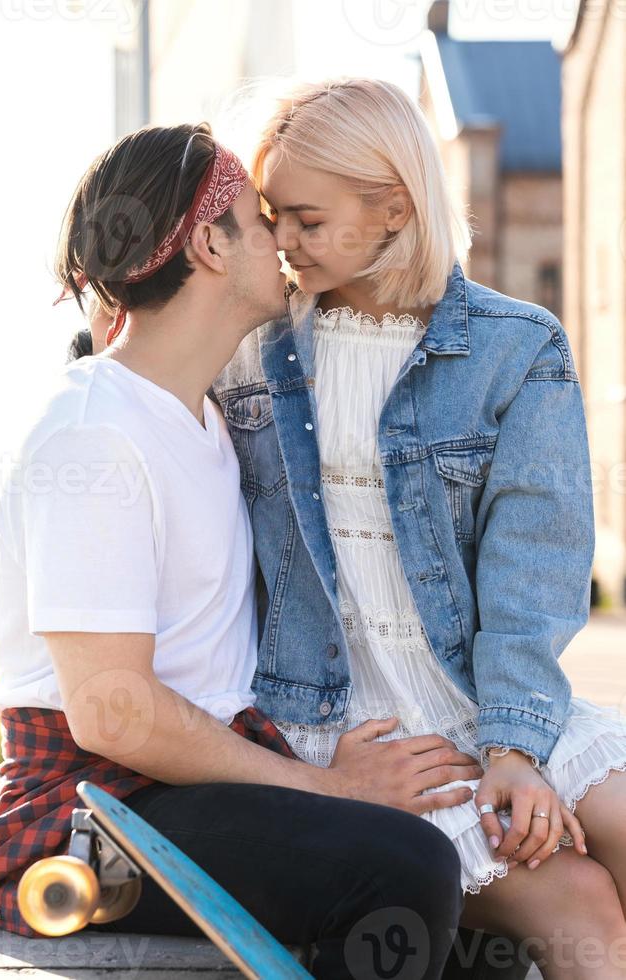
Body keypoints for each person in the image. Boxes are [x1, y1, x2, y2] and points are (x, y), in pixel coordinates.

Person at [0, 121, 482, 980]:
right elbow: (113, 712)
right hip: (99, 810)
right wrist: (331, 789)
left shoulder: (205, 411)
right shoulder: (95, 435)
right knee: (403, 873)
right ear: (208, 242)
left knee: (475, 885)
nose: (284, 239)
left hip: (195, 782)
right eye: (257, 217)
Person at [206, 78, 626, 977]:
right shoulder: (245, 349)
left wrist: (514, 749)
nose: (282, 241)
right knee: (582, 903)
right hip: (343, 727)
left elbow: (536, 563)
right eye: (272, 216)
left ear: (392, 206)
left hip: (491, 701)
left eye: (307, 221)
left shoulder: (520, 347)